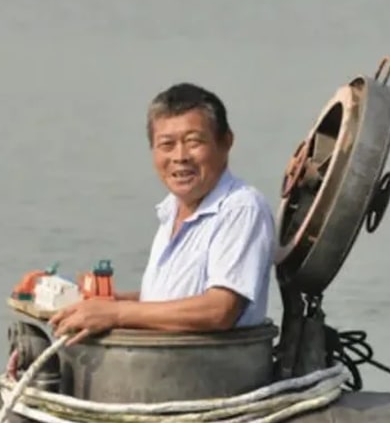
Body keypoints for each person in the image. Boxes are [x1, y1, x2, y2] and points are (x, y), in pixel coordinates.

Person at [49, 82, 276, 344]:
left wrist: (117, 313)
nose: (180, 156)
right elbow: (167, 303)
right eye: (167, 145)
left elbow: (219, 310)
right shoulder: (172, 209)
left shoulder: (241, 208)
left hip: (214, 374)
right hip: (162, 369)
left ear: (226, 142)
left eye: (194, 142)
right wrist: (105, 304)